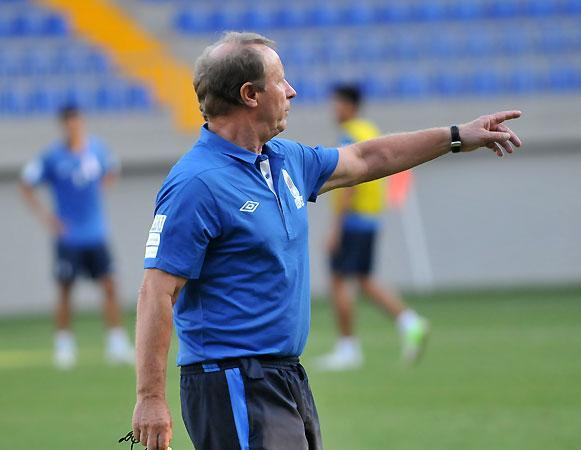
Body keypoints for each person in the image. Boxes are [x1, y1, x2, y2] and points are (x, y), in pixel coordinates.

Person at [131, 31, 522, 450]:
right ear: (250, 95)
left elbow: (366, 157)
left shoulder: (285, 159)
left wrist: (456, 136)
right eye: (280, 80)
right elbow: (157, 291)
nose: (292, 91)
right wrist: (150, 398)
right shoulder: (196, 184)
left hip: (284, 375)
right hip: (232, 382)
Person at [316, 84, 428, 371]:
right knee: (363, 280)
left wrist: (335, 227)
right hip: (370, 217)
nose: (333, 109)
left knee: (339, 281)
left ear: (349, 105)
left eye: (337, 103)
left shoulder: (349, 134)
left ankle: (348, 348)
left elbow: (349, 182)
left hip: (353, 220)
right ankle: (409, 321)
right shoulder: (369, 130)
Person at [20, 104, 134, 369]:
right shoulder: (52, 157)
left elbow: (112, 169)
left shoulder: (97, 150)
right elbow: (26, 184)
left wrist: (97, 193)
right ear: (63, 126)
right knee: (65, 289)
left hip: (96, 233)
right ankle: (64, 345)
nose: (74, 127)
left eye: (78, 122)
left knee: (110, 285)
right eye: (70, 123)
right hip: (69, 237)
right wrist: (48, 218)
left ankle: (116, 343)